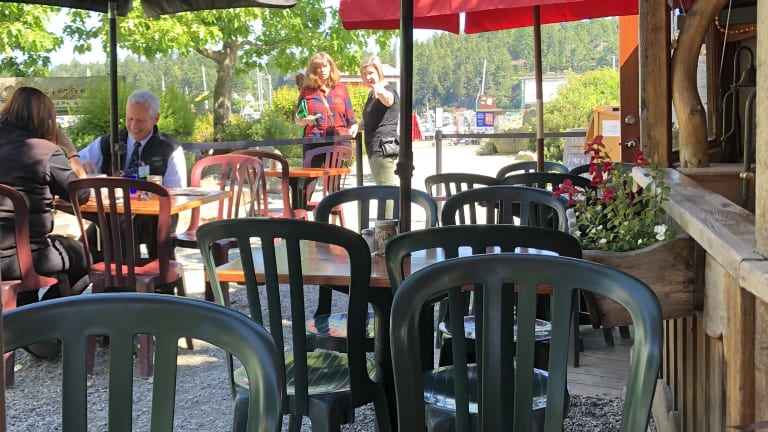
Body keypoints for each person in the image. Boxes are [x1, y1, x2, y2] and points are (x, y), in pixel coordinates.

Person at [0, 87, 91, 318]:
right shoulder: (44, 151)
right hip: (23, 257)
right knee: (86, 256)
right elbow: (81, 194)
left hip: (8, 254)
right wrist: (71, 150)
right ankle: (41, 318)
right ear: (44, 119)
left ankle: (25, 313)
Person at [79, 89, 187, 260]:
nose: (134, 126)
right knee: (85, 246)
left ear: (156, 118)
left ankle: (135, 273)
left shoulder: (169, 148)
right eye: (130, 119)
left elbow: (177, 193)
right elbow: (75, 161)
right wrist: (80, 164)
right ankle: (111, 273)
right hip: (114, 214)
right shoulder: (109, 142)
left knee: (120, 228)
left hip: (153, 218)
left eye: (140, 120)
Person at [294, 52, 359, 167]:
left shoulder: (342, 89)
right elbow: (297, 119)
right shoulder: (306, 90)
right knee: (310, 178)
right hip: (313, 140)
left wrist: (354, 127)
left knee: (333, 178)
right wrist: (305, 120)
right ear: (313, 71)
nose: (322, 70)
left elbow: (351, 120)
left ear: (331, 67)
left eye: (325, 66)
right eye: (318, 67)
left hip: (336, 141)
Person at [360, 56, 399, 187]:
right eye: (364, 74)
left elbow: (388, 100)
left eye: (370, 73)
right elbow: (371, 118)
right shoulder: (372, 93)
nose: (367, 77)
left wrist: (380, 90)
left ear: (379, 72)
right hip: (376, 148)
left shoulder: (386, 90)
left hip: (381, 149)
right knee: (385, 189)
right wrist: (358, 125)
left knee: (387, 191)